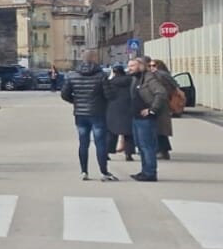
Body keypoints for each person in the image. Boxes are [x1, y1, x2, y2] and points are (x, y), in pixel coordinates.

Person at [61, 51, 117, 181]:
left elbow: (64, 94)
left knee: (83, 143)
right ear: (94, 59)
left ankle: (84, 171)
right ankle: (103, 172)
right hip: (98, 113)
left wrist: (75, 101)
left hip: (80, 114)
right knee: (100, 143)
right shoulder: (101, 76)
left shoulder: (72, 75)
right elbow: (109, 95)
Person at [128, 55, 168, 182]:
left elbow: (161, 93)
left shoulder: (149, 78)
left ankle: (150, 173)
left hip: (146, 119)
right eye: (129, 66)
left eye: (132, 66)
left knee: (147, 146)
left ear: (141, 66)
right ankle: (145, 171)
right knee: (141, 146)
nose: (129, 68)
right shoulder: (136, 78)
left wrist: (152, 109)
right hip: (136, 117)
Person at [103, 65, 135, 162]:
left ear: (114, 72)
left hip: (113, 108)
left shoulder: (110, 82)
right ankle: (128, 154)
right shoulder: (130, 81)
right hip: (128, 107)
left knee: (111, 132)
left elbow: (107, 95)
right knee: (129, 134)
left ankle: (107, 153)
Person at [149, 59, 177, 160]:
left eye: (153, 65)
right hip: (165, 104)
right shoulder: (166, 75)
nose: (151, 67)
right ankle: (163, 150)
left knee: (157, 129)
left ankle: (161, 151)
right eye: (150, 65)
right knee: (161, 129)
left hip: (160, 104)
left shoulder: (159, 75)